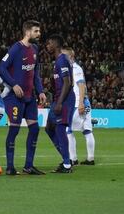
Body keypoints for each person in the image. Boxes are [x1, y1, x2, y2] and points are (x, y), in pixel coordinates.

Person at [0, 20, 48, 175]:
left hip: (29, 97)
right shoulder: (15, 49)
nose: (39, 34)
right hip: (14, 97)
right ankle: (10, 167)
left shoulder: (35, 49)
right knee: (14, 130)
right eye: (36, 31)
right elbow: (1, 67)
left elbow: (35, 73)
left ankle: (28, 166)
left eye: (39, 31)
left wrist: (40, 91)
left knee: (34, 129)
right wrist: (13, 84)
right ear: (27, 32)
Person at [45, 35, 74, 173]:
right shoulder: (57, 61)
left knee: (60, 128)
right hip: (58, 98)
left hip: (64, 99)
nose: (47, 45)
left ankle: (67, 164)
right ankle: (66, 158)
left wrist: (60, 103)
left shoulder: (62, 60)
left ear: (56, 45)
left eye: (49, 43)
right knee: (49, 128)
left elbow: (68, 83)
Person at [64, 48, 96, 166]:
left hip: (79, 104)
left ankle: (73, 159)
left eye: (65, 56)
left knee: (68, 130)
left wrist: (81, 103)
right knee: (87, 131)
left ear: (71, 56)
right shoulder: (73, 68)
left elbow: (81, 85)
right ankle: (90, 158)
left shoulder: (75, 69)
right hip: (85, 102)